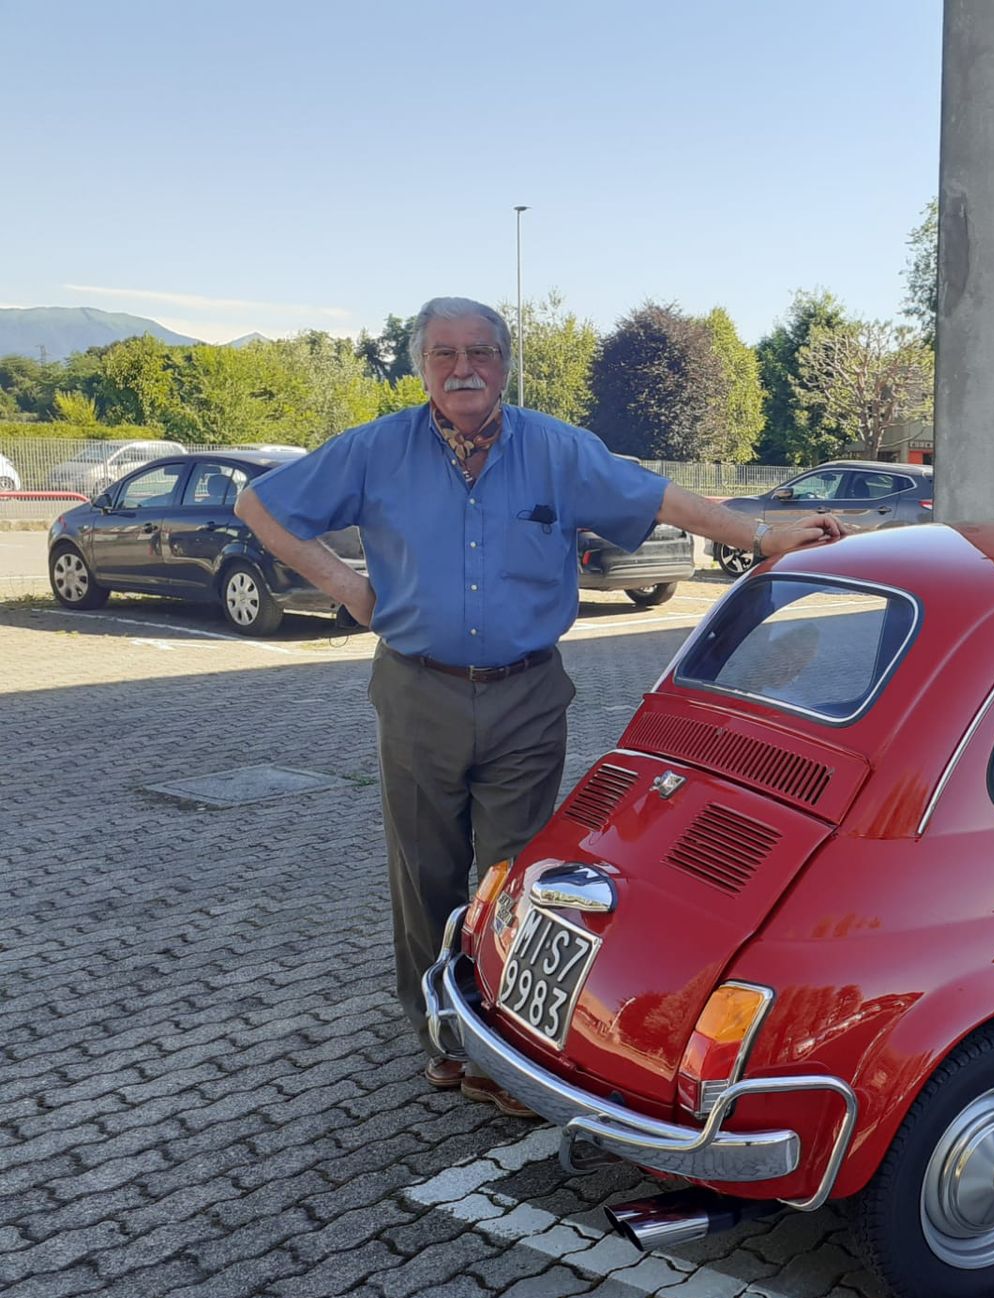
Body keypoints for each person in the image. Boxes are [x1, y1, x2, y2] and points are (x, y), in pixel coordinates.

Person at [236, 296, 842, 1115]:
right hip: (417, 689)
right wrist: (345, 586)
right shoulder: (376, 451)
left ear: (505, 363)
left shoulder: (554, 450)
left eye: (481, 353)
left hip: (526, 693)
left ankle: (503, 1050)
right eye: (445, 354)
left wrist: (762, 537)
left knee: (511, 875)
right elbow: (259, 506)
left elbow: (654, 494)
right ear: (421, 365)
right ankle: (441, 1034)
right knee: (426, 873)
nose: (464, 369)